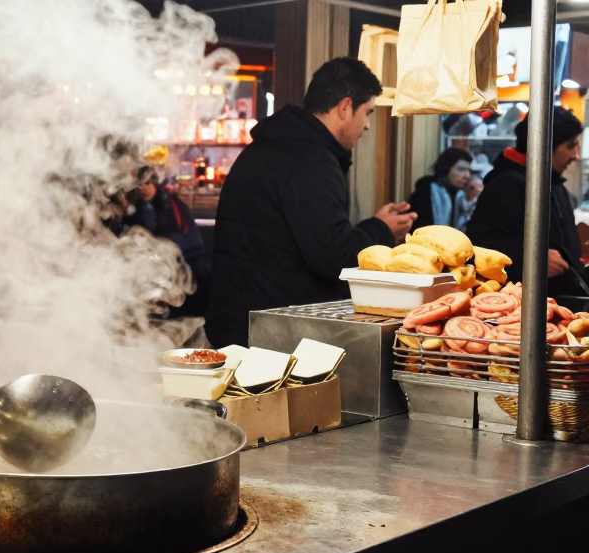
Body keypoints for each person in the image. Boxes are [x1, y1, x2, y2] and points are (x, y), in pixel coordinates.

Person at [206, 57, 416, 348]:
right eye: (367, 112)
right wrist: (381, 229)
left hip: (241, 323)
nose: (367, 126)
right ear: (345, 107)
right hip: (270, 336)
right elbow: (331, 255)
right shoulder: (310, 159)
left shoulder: (271, 147)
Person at [467, 106, 588, 297]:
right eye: (570, 146)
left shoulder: (553, 183)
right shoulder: (505, 185)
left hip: (559, 299)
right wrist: (533, 259)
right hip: (520, 303)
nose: (576, 156)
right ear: (546, 146)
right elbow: (481, 245)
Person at [124, 166, 210, 316]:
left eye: (147, 184)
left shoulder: (172, 205)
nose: (143, 188)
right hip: (156, 256)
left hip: (186, 254)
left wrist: (157, 243)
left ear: (155, 184)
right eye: (140, 184)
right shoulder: (135, 207)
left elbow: (186, 236)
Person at [407, 147, 475, 232]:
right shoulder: (426, 194)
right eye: (461, 169)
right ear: (446, 169)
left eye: (469, 170)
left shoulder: (461, 195)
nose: (467, 175)